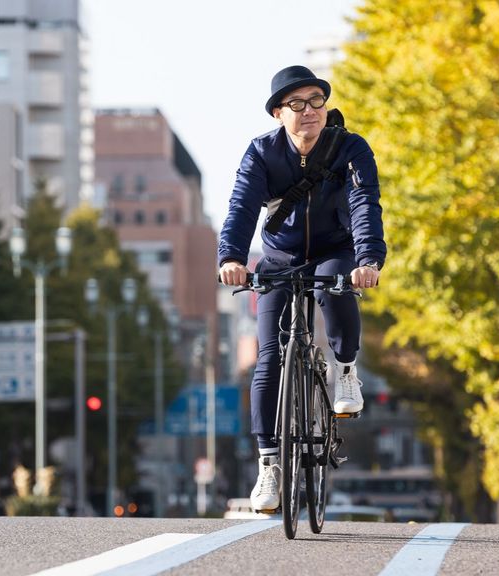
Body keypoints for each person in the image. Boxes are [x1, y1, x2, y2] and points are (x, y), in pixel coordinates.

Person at [217, 65, 386, 512]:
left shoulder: (350, 149)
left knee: (336, 289)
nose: (309, 111)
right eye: (297, 104)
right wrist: (231, 258)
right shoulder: (261, 153)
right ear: (278, 113)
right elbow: (241, 206)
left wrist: (367, 259)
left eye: (316, 101)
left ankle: (345, 371)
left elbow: (364, 204)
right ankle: (269, 465)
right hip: (279, 258)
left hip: (335, 250)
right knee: (269, 355)